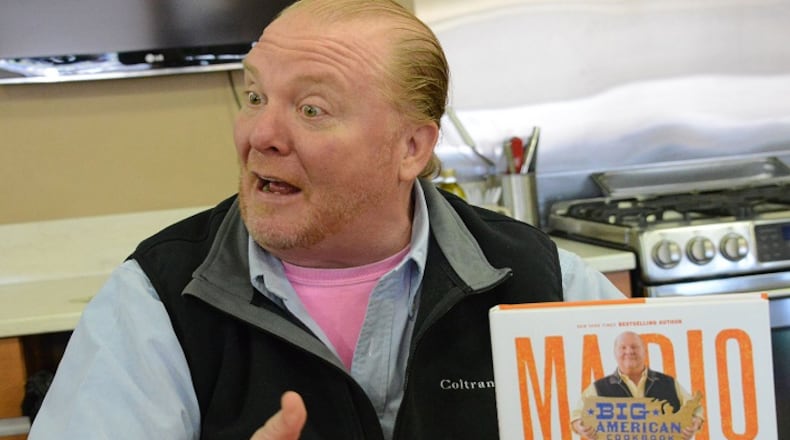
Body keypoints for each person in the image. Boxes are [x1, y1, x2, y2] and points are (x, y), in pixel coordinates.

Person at [28, 0, 625, 439]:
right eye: (255, 97)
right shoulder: (156, 302)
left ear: (411, 148)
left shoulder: (547, 287)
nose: (261, 134)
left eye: (311, 109)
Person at [571, 331, 704, 440]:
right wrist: (580, 426)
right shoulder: (598, 388)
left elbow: (695, 407)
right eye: (623, 348)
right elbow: (576, 416)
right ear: (615, 353)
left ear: (644, 351)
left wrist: (695, 422)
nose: (629, 351)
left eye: (634, 347)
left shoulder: (669, 383)